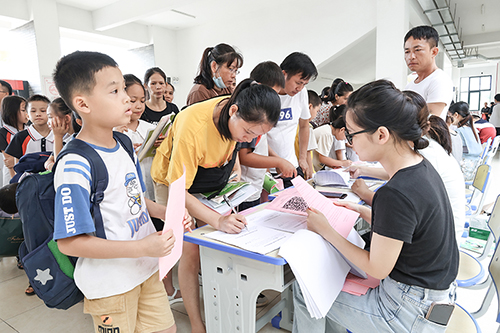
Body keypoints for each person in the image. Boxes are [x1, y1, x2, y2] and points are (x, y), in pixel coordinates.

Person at [293, 79, 458, 332]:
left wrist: (326, 230)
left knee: (305, 288)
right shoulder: (420, 168)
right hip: (433, 299)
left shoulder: (395, 192)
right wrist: (364, 211)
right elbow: (408, 230)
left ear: (381, 135)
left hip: (405, 310)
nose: (349, 143)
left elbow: (377, 267)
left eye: (351, 134)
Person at [52, 50, 192, 333]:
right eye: (114, 91)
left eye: (123, 90)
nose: (127, 98)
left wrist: (169, 213)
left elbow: (137, 200)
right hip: (110, 286)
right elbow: (70, 242)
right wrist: (141, 246)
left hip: (146, 270)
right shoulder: (75, 164)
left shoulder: (124, 144)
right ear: (83, 104)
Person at [151, 78, 281, 333]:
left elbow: (234, 148)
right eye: (248, 132)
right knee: (191, 251)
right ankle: (198, 324)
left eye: (256, 135)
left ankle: (225, 302)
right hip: (175, 184)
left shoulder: (238, 116)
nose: (249, 138)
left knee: (223, 240)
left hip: (210, 181)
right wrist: (217, 219)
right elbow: (179, 191)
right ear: (233, 111)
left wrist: (235, 170)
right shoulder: (193, 126)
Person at [350, 93, 466, 244]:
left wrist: (366, 194)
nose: (351, 142)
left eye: (352, 133)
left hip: (437, 242)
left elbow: (401, 207)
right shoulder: (421, 152)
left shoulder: (423, 157)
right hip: (435, 240)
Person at [238, 61, 296, 211]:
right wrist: (278, 162)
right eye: (273, 93)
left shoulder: (260, 118)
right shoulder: (250, 118)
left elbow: (261, 143)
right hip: (244, 189)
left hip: (255, 186)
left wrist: (278, 159)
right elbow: (245, 156)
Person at [266, 52, 318, 186]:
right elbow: (258, 136)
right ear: (284, 74)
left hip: (292, 166)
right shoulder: (267, 93)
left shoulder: (302, 93)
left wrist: (302, 158)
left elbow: (304, 126)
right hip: (268, 168)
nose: (300, 88)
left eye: (304, 84)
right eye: (298, 82)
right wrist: (276, 161)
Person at [404, 25, 453, 119]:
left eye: (417, 50)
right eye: (407, 52)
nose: (411, 57)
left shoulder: (440, 80)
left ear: (434, 52)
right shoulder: (409, 85)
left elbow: (428, 120)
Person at [5, 94, 54, 178]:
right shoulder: (20, 137)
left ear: (50, 113)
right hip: (29, 182)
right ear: (27, 115)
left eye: (43, 111)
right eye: (33, 111)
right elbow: (17, 166)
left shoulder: (59, 135)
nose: (38, 114)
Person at [450, 101, 482, 181]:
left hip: (466, 171)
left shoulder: (459, 131)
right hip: (475, 169)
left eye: (450, 116)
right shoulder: (472, 129)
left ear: (456, 115)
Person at [313, 105, 352, 171]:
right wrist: (342, 163)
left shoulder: (328, 130)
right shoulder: (327, 134)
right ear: (342, 130)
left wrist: (332, 165)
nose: (345, 139)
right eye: (346, 137)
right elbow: (322, 158)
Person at [0, 95, 28, 185]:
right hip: (12, 175)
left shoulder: (30, 129)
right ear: (11, 112)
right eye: (23, 110)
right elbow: (10, 161)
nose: (27, 113)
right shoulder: (3, 132)